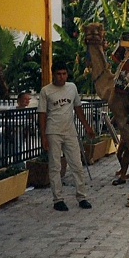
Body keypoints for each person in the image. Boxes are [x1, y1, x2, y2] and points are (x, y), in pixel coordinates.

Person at [37, 61, 95, 211]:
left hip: (70, 131)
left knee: (77, 165)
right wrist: (43, 136)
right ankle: (58, 199)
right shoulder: (46, 91)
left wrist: (87, 126)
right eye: (58, 74)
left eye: (64, 74)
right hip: (53, 131)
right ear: (53, 74)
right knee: (55, 166)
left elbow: (78, 108)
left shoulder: (72, 87)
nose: (61, 77)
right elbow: (42, 114)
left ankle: (82, 197)